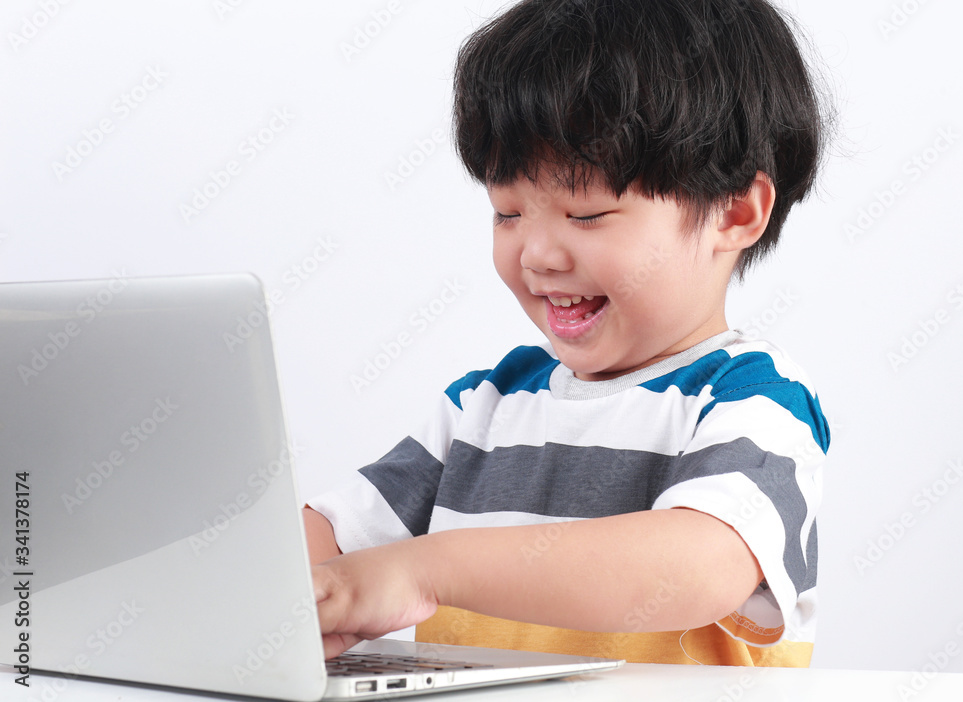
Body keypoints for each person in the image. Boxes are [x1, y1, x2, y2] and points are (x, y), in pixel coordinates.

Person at [304, 0, 831, 667]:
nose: (537, 255)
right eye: (508, 213)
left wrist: (424, 569)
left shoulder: (753, 402)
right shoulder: (486, 405)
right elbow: (331, 537)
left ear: (734, 213)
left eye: (586, 213)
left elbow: (700, 564)